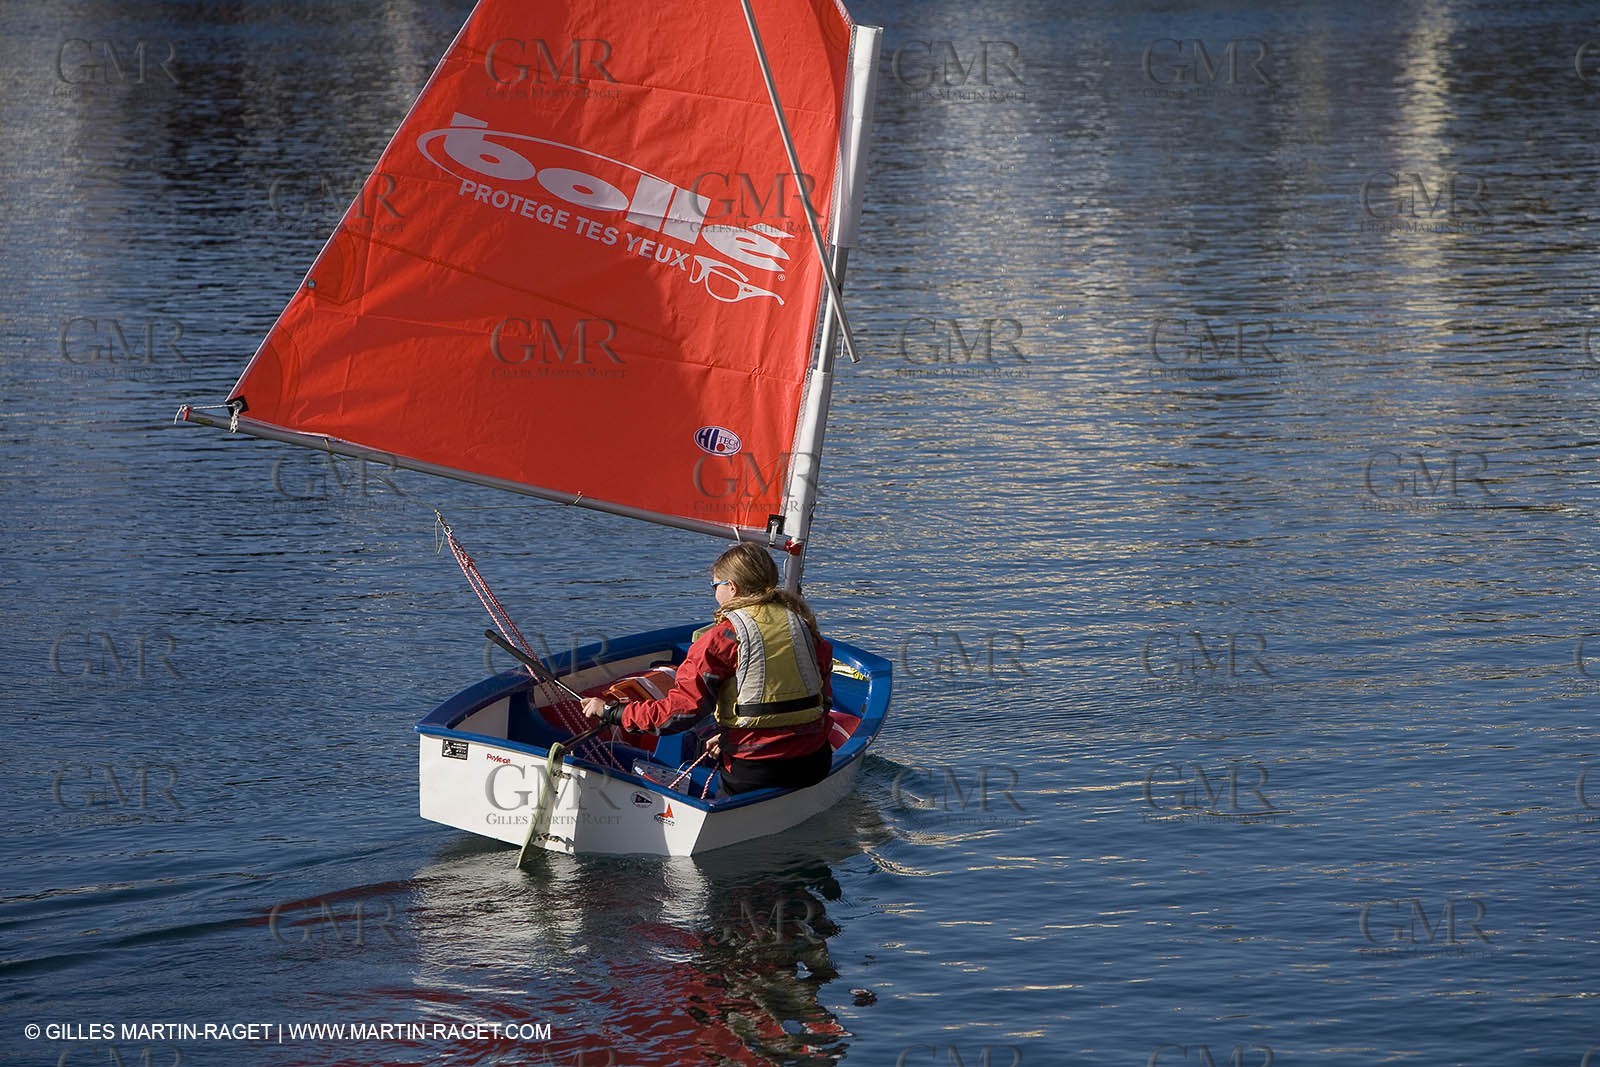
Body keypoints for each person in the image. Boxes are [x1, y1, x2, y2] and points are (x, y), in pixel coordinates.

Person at [581, 542, 833, 794]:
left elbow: (679, 714)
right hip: (814, 763)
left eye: (715, 586)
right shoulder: (803, 626)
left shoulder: (722, 637)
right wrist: (729, 739)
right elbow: (824, 701)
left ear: (731, 587)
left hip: (756, 772)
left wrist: (613, 711)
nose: (714, 594)